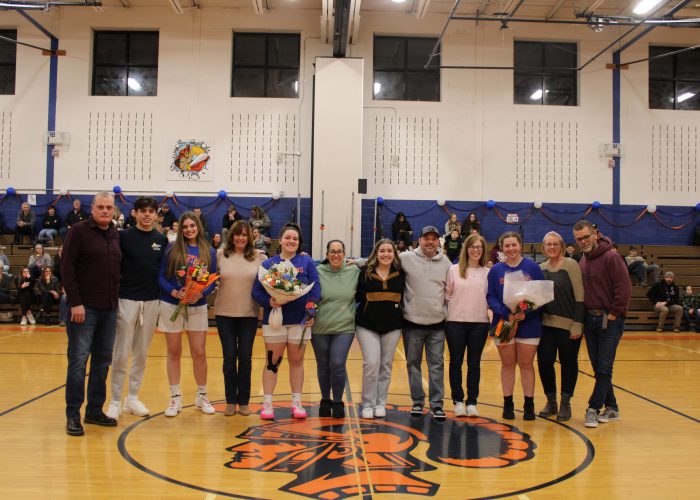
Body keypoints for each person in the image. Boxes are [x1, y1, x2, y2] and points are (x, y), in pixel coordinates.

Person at [62, 192, 122, 436]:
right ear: (93, 208)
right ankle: (73, 416)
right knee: (78, 363)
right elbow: (66, 267)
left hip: (109, 308)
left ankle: (94, 411)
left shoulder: (116, 234)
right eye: (101, 207)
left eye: (109, 207)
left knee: (102, 363)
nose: (105, 211)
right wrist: (75, 303)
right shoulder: (78, 231)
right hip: (83, 309)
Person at [105, 197, 167, 421]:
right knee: (121, 353)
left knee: (141, 354)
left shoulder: (161, 240)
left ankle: (132, 398)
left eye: (151, 211)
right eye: (143, 211)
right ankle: (114, 400)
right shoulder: (123, 237)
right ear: (135, 213)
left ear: (156, 214)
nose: (147, 215)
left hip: (151, 301)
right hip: (127, 300)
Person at [252, 223, 320, 420]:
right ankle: (267, 404)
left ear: (299, 243)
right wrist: (269, 301)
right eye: (288, 238)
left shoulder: (306, 262)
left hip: (300, 321)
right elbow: (256, 291)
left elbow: (315, 289)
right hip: (275, 320)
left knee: (297, 361)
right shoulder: (268, 265)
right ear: (280, 240)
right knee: (273, 362)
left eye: (295, 239)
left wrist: (311, 310)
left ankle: (296, 403)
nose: (291, 241)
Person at [158, 211, 218, 417]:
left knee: (199, 352)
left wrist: (201, 292)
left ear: (198, 227)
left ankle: (202, 395)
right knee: (174, 351)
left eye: (192, 226)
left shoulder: (209, 250)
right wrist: (174, 291)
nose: (189, 230)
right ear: (179, 229)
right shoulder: (171, 250)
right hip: (171, 305)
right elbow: (160, 277)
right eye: (185, 227)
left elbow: (212, 279)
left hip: (196, 306)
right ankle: (175, 398)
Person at [572, 220, 631, 428]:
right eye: (578, 239)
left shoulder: (611, 257)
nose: (582, 241)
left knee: (605, 367)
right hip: (590, 319)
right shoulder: (583, 261)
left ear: (595, 234)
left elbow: (624, 289)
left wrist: (614, 314)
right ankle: (613, 407)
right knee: (599, 368)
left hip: (609, 319)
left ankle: (593, 408)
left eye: (586, 237)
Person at [486, 231, 546, 421]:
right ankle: (508, 404)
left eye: (514, 245)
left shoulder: (533, 267)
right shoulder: (496, 270)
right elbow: (490, 297)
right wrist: (507, 314)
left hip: (529, 324)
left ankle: (529, 405)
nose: (511, 248)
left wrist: (525, 313)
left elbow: (540, 296)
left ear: (521, 245)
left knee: (527, 364)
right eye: (507, 246)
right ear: (502, 248)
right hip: (504, 323)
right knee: (508, 364)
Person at [399, 225, 452, 420]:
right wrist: (353, 261)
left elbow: (451, 291)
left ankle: (437, 405)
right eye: (426, 238)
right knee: (413, 364)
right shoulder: (405, 258)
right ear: (419, 240)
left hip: (437, 324)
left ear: (439, 241)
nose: (430, 242)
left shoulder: (446, 263)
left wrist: (444, 311)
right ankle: (417, 402)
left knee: (436, 365)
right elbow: (381, 259)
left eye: (434, 239)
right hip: (412, 323)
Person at [215, 220, 265, 417]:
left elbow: (276, 269)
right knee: (229, 358)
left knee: (245, 358)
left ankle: (243, 400)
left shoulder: (258, 257)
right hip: (224, 314)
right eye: (237, 234)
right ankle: (229, 400)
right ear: (232, 236)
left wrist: (300, 255)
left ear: (250, 237)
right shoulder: (220, 255)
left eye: (245, 235)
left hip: (248, 315)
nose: (241, 238)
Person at [537, 231, 585, 422]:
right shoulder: (540, 268)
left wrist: (577, 324)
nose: (551, 247)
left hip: (568, 327)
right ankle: (551, 401)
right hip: (545, 325)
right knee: (545, 363)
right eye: (548, 244)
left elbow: (580, 296)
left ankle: (566, 402)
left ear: (562, 246)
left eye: (555, 244)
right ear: (543, 247)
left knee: (569, 364)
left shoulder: (571, 265)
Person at [355, 239, 405, 419]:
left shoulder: (401, 274)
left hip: (393, 327)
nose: (385, 254)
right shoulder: (364, 273)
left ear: (394, 254)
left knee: (385, 365)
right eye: (382, 251)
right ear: (376, 253)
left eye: (389, 251)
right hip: (367, 325)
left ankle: (380, 403)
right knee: (371, 363)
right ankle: (367, 404)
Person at [313, 240, 360, 419]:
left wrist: (359, 261)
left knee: (338, 363)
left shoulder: (354, 271)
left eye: (339, 251)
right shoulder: (317, 272)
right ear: (326, 255)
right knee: (323, 365)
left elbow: (373, 263)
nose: (335, 255)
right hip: (320, 326)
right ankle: (325, 400)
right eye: (332, 251)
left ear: (344, 253)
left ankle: (338, 402)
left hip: (344, 327)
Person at [445, 233, 490, 418]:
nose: (475, 250)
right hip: (455, 322)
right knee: (455, 362)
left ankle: (472, 402)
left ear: (483, 250)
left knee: (474, 364)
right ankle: (458, 401)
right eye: (472, 247)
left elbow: (490, 297)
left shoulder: (488, 272)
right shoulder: (454, 270)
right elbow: (447, 295)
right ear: (466, 249)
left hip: (479, 324)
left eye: (479, 247)